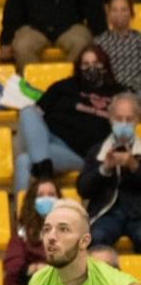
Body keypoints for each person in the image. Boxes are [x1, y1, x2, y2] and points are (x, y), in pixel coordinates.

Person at [14, 44, 122, 192]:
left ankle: (42, 176)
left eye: (96, 63)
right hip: (48, 138)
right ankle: (44, 176)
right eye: (86, 64)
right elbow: (37, 113)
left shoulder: (119, 93)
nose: (91, 68)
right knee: (27, 111)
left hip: (80, 153)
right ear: (79, 67)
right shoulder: (63, 86)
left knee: (23, 161)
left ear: (105, 66)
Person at [28, 199, 141, 285]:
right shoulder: (38, 284)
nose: (51, 237)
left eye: (63, 229)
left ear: (84, 241)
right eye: (47, 229)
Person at [79, 92, 141, 249]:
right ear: (111, 119)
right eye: (119, 119)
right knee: (97, 236)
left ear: (137, 120)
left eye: (129, 119)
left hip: (138, 215)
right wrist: (104, 168)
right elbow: (83, 189)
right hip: (107, 213)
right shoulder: (97, 151)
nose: (124, 124)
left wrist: (134, 166)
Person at [5, 176, 62, 285]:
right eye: (41, 195)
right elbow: (13, 265)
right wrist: (30, 268)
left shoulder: (71, 230)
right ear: (32, 201)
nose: (47, 199)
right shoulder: (22, 231)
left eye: (51, 195)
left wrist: (46, 268)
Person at [99, 0, 141, 94]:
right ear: (108, 14)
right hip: (109, 93)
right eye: (114, 10)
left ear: (132, 14)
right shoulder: (99, 43)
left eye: (124, 9)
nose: (119, 14)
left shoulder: (139, 40)